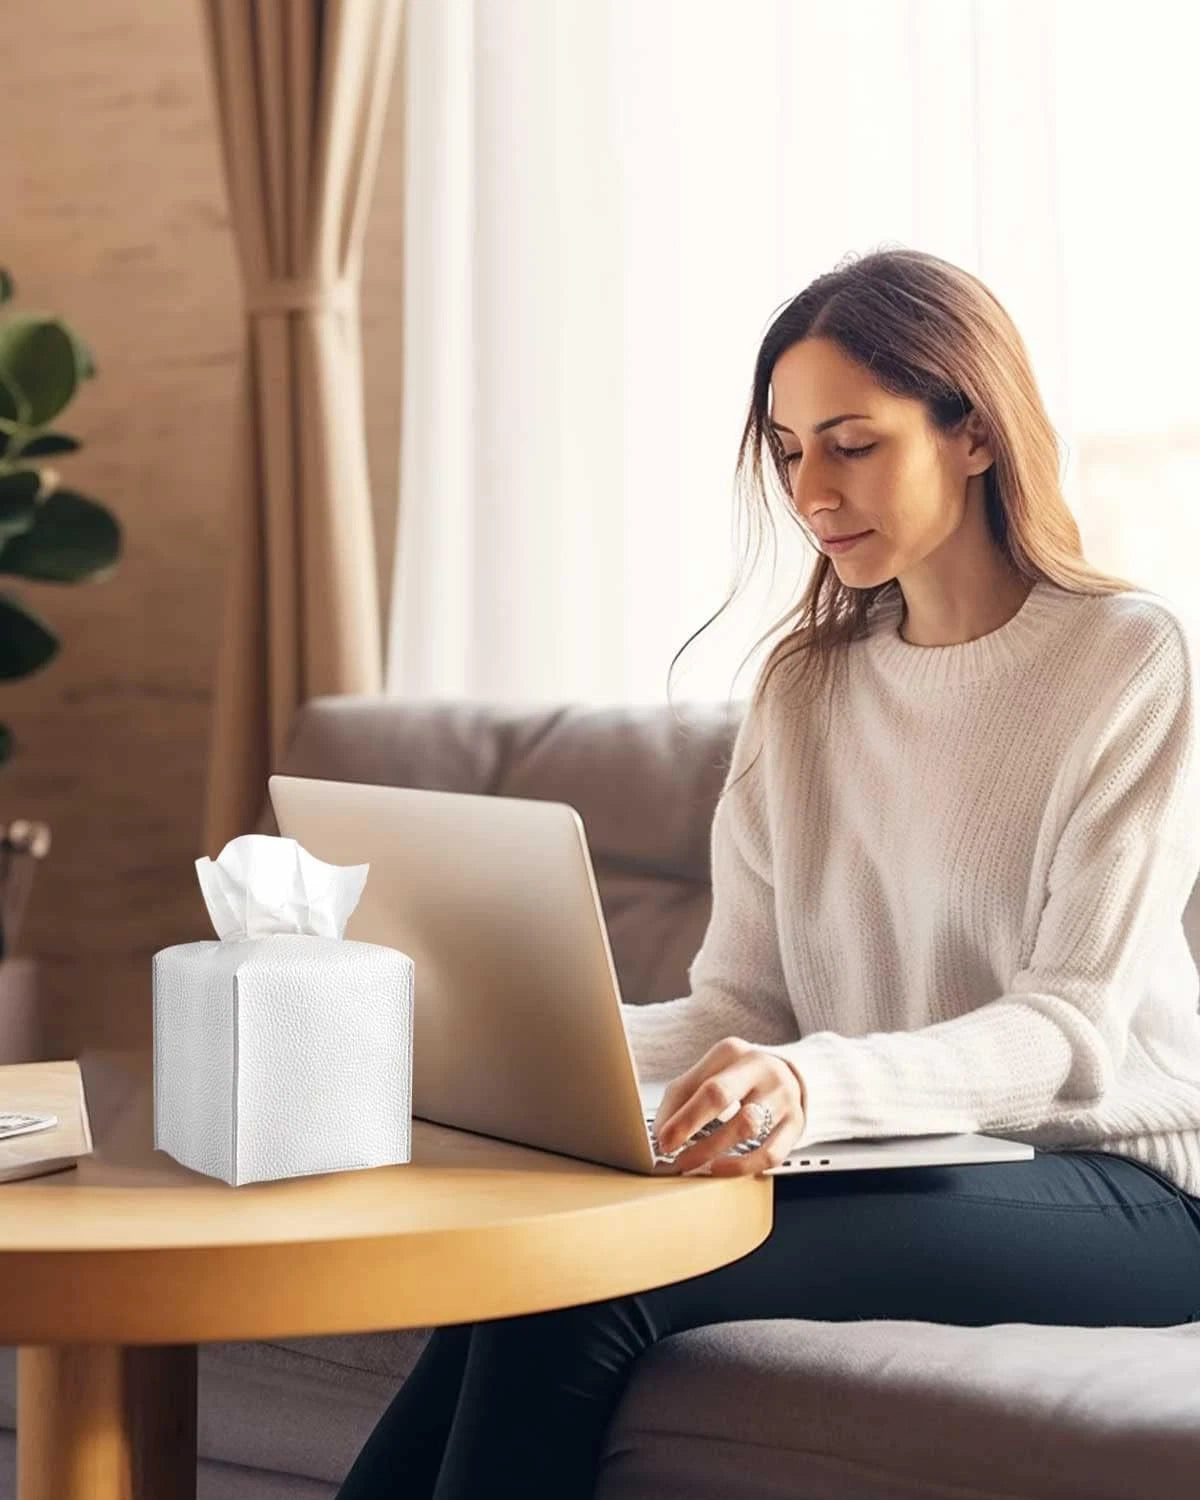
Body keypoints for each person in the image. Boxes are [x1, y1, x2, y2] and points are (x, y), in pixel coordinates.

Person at [334, 247, 1200, 1499]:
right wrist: (523, 1045)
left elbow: (1067, 1030)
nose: (812, 488)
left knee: (583, 1291)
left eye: (853, 442)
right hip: (908, 1153)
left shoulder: (1128, 657)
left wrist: (809, 1083)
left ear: (973, 432)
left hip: (1129, 1187)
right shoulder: (807, 688)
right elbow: (743, 1006)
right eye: (791, 451)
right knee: (524, 1261)